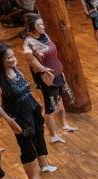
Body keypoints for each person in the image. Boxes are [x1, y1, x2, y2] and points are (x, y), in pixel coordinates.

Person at [0, 43, 56, 179]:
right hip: (19, 117)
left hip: (32, 109)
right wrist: (10, 121)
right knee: (28, 148)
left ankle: (44, 165)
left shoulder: (15, 70)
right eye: (8, 58)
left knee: (39, 138)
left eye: (12, 56)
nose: (12, 59)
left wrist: (47, 81)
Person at [21, 13, 79, 145]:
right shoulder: (29, 42)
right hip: (48, 78)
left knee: (60, 101)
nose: (42, 26)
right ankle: (53, 135)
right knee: (50, 108)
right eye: (39, 25)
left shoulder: (44, 35)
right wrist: (43, 69)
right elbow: (29, 59)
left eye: (42, 24)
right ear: (32, 26)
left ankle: (64, 124)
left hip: (58, 73)